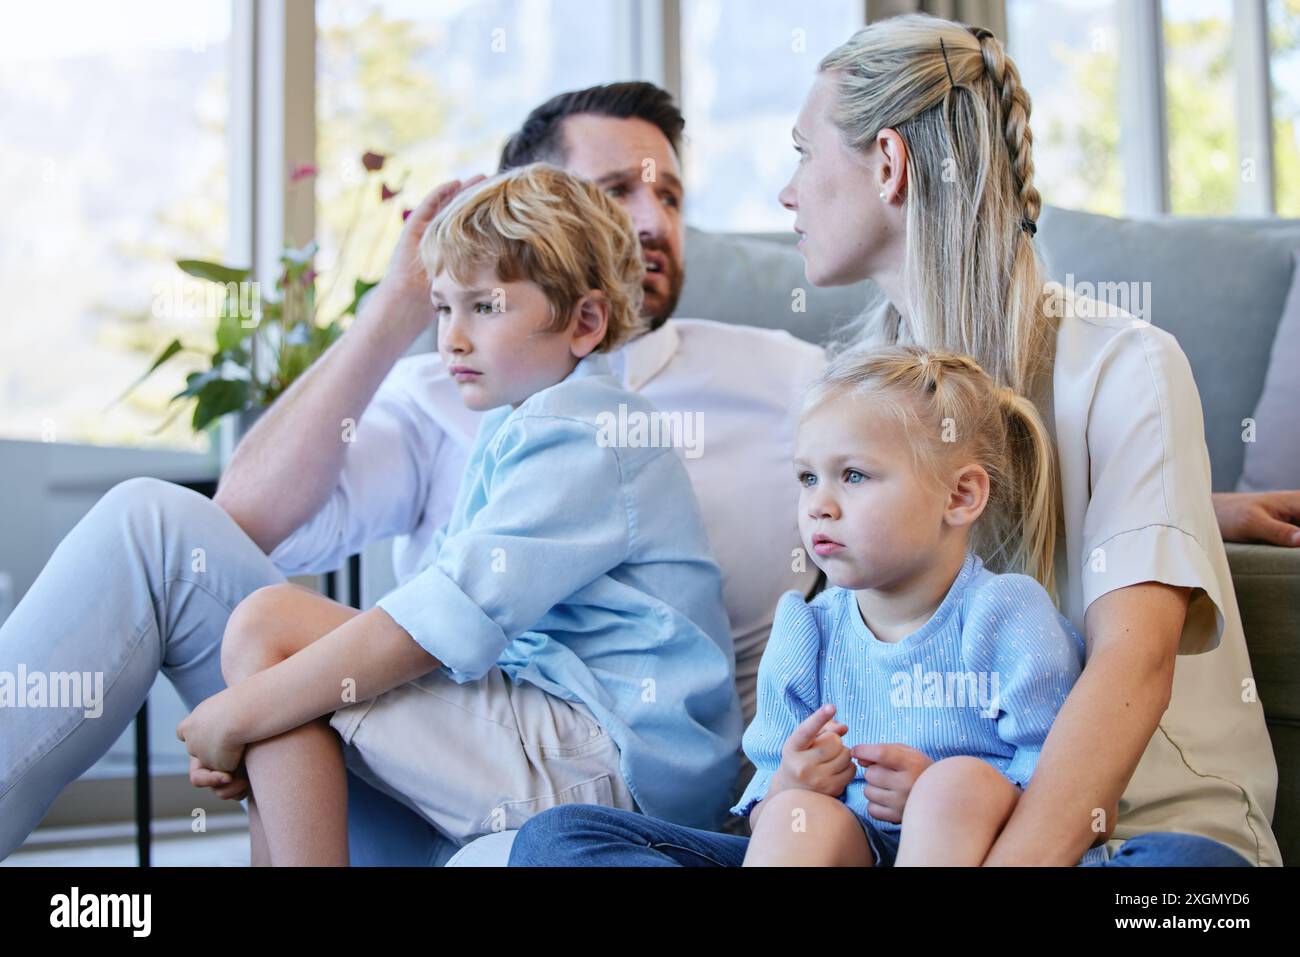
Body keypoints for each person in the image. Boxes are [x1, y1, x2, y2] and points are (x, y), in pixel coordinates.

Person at [0, 73, 1291, 865]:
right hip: (449, 731)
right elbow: (249, 518)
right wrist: (406, 312)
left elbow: (943, 451)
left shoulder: (780, 368)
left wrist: (1184, 501)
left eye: (669, 191)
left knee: (297, 668)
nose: (656, 222)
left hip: (589, 753)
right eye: (616, 192)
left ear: (586, 310)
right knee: (156, 530)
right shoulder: (453, 376)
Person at [508, 16, 1284, 867]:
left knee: (1195, 886)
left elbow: (1132, 668)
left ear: (888, 163)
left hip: (1112, 839)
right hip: (885, 841)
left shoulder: (1125, 366)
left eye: (805, 153)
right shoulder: (847, 393)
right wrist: (796, 791)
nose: (787, 194)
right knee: (560, 842)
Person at [172, 163, 741, 865]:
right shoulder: (520, 427)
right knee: (283, 668)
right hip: (572, 744)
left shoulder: (589, 426)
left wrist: (242, 710)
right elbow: (440, 596)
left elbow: (445, 616)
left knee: (271, 626)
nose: (452, 338)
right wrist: (260, 710)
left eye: (484, 306)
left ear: (586, 322)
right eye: (443, 307)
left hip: (615, 762)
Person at [667, 345, 1099, 866]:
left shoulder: (1004, 615)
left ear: (960, 497)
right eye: (808, 478)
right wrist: (790, 781)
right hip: (857, 850)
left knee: (952, 788)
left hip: (986, 850)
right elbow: (759, 808)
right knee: (792, 816)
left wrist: (930, 795)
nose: (819, 506)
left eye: (853, 475)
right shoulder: (807, 628)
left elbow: (1063, 785)